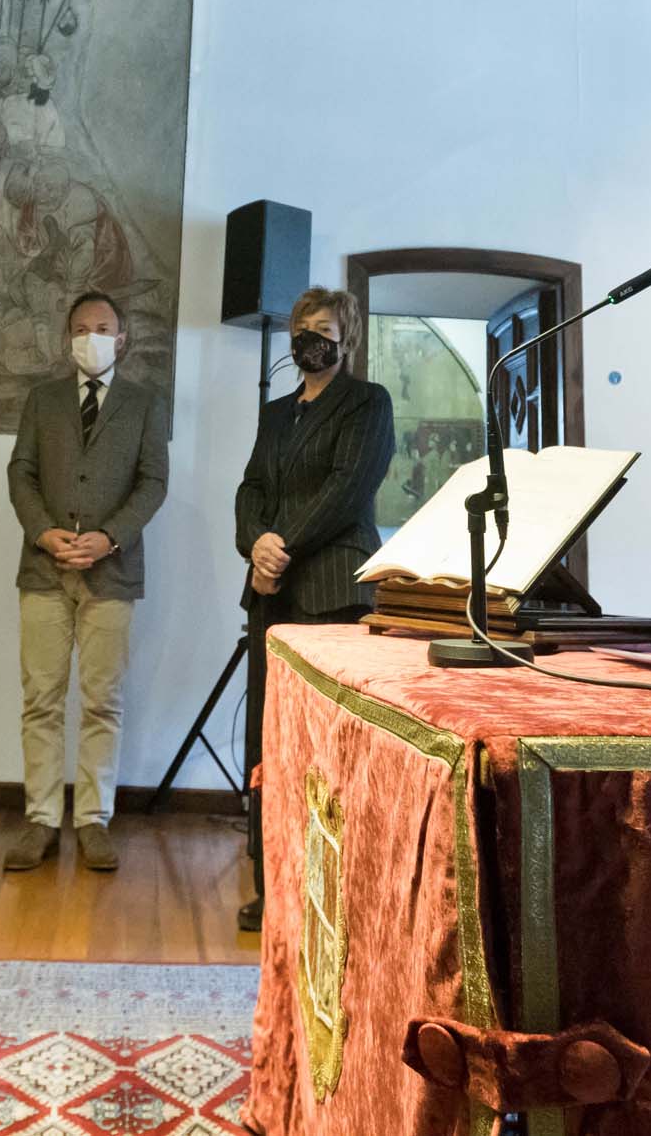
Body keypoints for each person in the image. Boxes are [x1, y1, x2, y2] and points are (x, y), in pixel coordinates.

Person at [232, 286, 394, 933]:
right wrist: (256, 543)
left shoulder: (367, 402)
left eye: (324, 328)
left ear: (346, 338)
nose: (310, 338)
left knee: (325, 752)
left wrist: (282, 546)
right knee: (267, 743)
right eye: (303, 327)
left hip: (333, 592)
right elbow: (251, 488)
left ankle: (327, 897)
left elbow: (347, 488)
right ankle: (269, 885)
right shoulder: (275, 414)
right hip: (270, 594)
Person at [2, 290, 170, 872]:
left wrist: (110, 537)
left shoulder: (145, 403)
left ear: (121, 339)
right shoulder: (42, 399)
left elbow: (153, 482)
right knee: (41, 700)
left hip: (112, 571)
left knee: (103, 701)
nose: (90, 338)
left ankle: (94, 820)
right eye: (80, 328)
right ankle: (41, 819)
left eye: (102, 328)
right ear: (66, 337)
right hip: (44, 568)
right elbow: (21, 472)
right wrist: (43, 531)